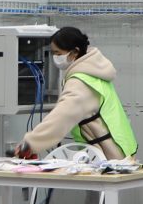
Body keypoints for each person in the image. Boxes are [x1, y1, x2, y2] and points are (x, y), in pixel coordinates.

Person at [15, 26, 135, 160]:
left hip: (108, 156)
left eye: (58, 53)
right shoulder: (94, 73)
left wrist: (30, 144)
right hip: (120, 149)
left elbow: (61, 117)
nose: (55, 58)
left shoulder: (81, 83)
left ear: (75, 52)